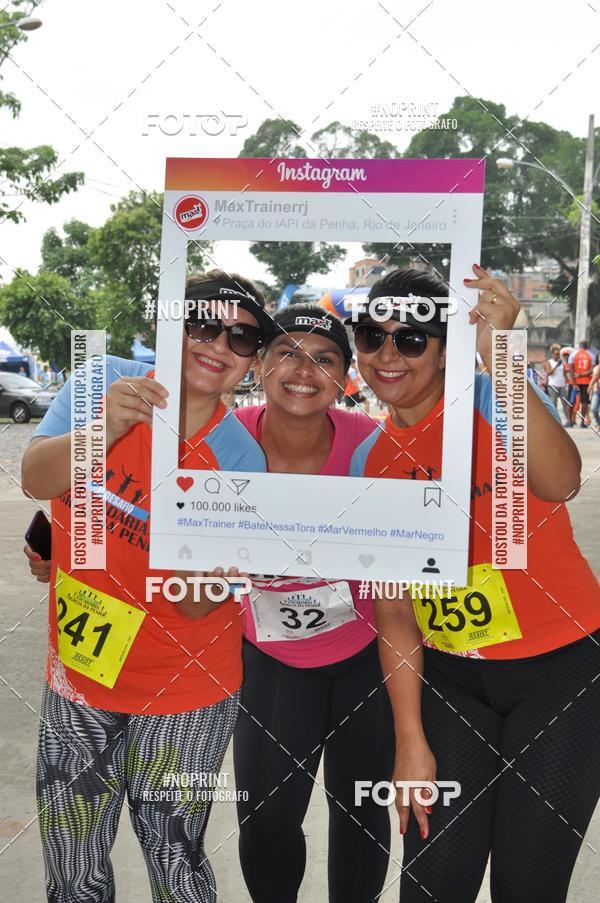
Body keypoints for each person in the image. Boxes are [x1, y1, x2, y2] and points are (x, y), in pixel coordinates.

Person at [26, 302, 396, 902]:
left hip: (352, 651)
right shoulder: (231, 436)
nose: (304, 370)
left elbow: (424, 533)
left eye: (325, 359)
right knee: (265, 820)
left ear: (344, 378)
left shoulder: (365, 445)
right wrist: (58, 547)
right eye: (286, 352)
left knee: (357, 814)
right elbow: (66, 492)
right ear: (263, 368)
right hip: (256, 660)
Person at [348, 266, 600, 903]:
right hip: (454, 682)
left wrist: (504, 358)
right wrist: (409, 743)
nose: (388, 355)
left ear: (443, 349)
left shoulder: (490, 400)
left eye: (411, 340)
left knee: (528, 883)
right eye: (372, 337)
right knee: (434, 878)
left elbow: (561, 480)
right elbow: (396, 614)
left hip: (563, 675)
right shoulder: (370, 460)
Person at [21, 271, 270, 903]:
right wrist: (102, 434)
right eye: (204, 325)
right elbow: (33, 477)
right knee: (73, 866)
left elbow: (196, 601)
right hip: (80, 672)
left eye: (242, 337)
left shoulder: (240, 455)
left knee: (176, 862)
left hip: (186, 687)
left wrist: (215, 580)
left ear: (254, 359)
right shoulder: (98, 384)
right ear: (171, 325)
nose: (219, 344)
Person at [571, 339, 595, 427]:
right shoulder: (591, 355)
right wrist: (582, 374)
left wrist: (573, 382)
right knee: (585, 402)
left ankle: (571, 420)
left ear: (580, 345)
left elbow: (570, 369)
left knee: (573, 400)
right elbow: (591, 370)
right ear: (587, 346)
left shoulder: (573, 354)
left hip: (575, 381)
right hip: (586, 381)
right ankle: (582, 422)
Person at [545, 342, 569, 422]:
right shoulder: (549, 362)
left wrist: (567, 383)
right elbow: (548, 373)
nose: (558, 356)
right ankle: (554, 420)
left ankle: (567, 420)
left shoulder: (562, 362)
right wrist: (556, 366)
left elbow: (565, 374)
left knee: (565, 403)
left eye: (559, 354)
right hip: (553, 385)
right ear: (552, 354)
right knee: (553, 403)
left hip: (562, 385)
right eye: (556, 354)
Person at [589, 351, 600, 429]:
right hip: (596, 391)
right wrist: (590, 393)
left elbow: (596, 377)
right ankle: (598, 422)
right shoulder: (595, 368)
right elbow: (593, 378)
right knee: (593, 409)